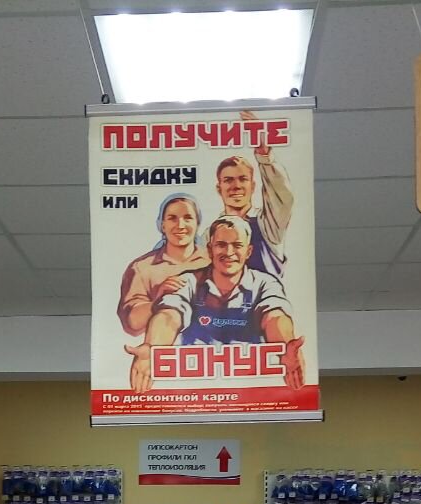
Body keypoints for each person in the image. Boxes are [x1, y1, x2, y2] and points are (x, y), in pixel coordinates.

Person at [124, 216, 305, 393]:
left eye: (237, 245)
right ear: (210, 250)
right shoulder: (188, 282)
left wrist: (285, 344)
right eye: (221, 245)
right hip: (194, 390)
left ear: (249, 251)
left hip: (247, 389)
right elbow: (169, 316)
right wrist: (153, 348)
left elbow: (274, 317)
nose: (229, 252)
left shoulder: (265, 284)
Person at [214, 110, 294, 278]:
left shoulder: (268, 225)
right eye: (228, 180)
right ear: (219, 188)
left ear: (253, 186)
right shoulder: (210, 232)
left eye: (242, 179)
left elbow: (282, 197)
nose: (236, 186)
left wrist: (264, 155)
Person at [117, 193, 208, 336]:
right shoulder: (141, 268)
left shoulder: (214, 260)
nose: (180, 225)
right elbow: (131, 323)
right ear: (162, 225)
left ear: (197, 223)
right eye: (172, 218)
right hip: (161, 345)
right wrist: (158, 301)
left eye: (188, 218)